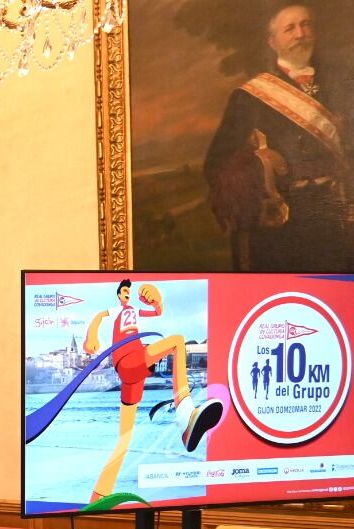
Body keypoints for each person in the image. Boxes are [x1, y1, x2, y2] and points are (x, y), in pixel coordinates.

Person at [203, 3, 354, 271]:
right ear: (273, 42)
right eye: (290, 28)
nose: (300, 34)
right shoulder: (248, 98)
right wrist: (260, 164)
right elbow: (216, 164)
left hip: (336, 215)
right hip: (284, 225)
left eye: (306, 25)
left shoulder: (342, 82)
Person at [81, 280, 222, 503]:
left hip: (134, 371)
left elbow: (157, 312)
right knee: (177, 341)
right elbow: (99, 317)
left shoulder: (136, 310)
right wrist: (92, 337)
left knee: (124, 437)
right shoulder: (117, 310)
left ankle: (98, 497)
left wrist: (157, 301)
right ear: (119, 295)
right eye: (124, 291)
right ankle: (185, 413)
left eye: (129, 291)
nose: (127, 294)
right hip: (128, 360)